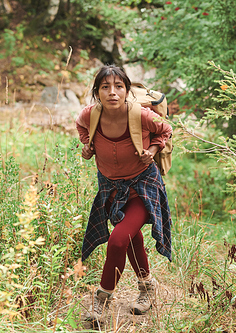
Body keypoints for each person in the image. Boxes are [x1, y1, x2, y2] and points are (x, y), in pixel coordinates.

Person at [75, 65, 173, 325]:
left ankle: (101, 300)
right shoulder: (90, 115)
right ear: (97, 92)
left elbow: (165, 130)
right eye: (105, 87)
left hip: (143, 186)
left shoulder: (140, 115)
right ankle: (147, 287)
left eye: (118, 87)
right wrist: (88, 147)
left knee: (118, 240)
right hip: (111, 188)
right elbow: (80, 126)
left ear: (127, 91)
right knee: (131, 238)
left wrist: (152, 149)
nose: (112, 92)